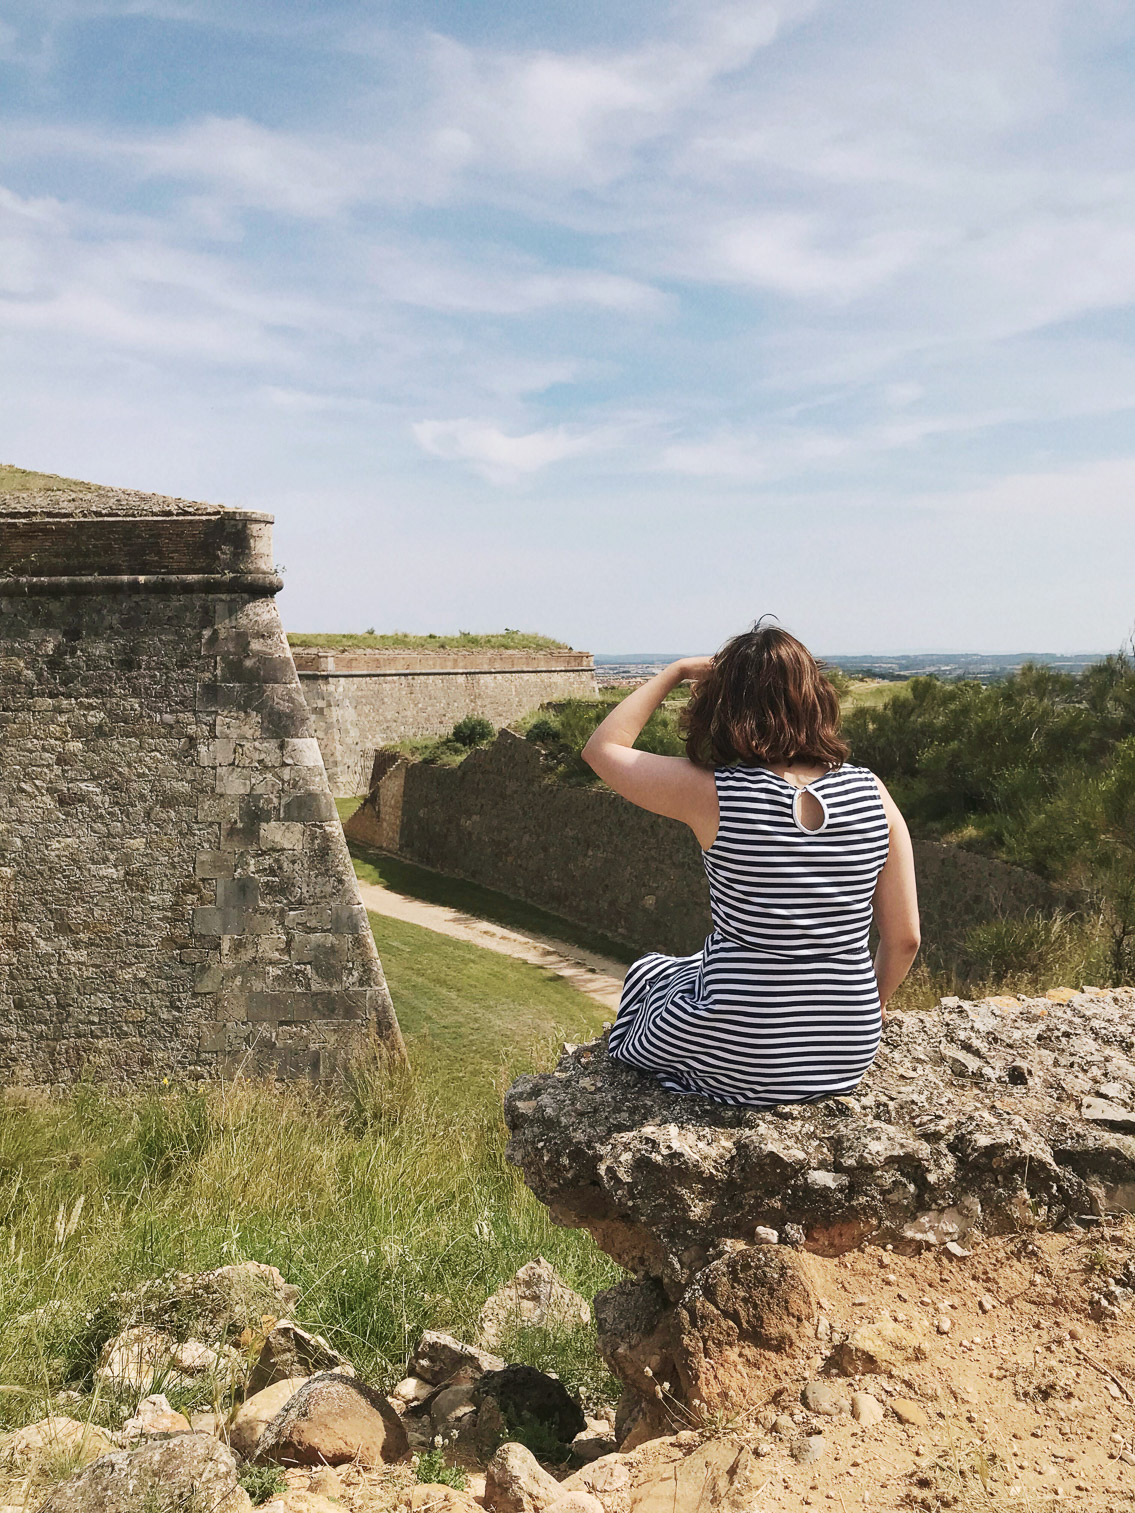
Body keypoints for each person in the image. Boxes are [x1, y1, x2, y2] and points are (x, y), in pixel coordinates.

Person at [581, 622, 920, 1109]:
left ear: (724, 702)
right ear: (815, 698)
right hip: (848, 1050)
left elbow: (603, 749)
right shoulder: (873, 792)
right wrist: (870, 1008)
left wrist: (675, 672)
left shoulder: (713, 790)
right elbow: (905, 938)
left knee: (650, 974)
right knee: (686, 971)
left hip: (742, 1046)